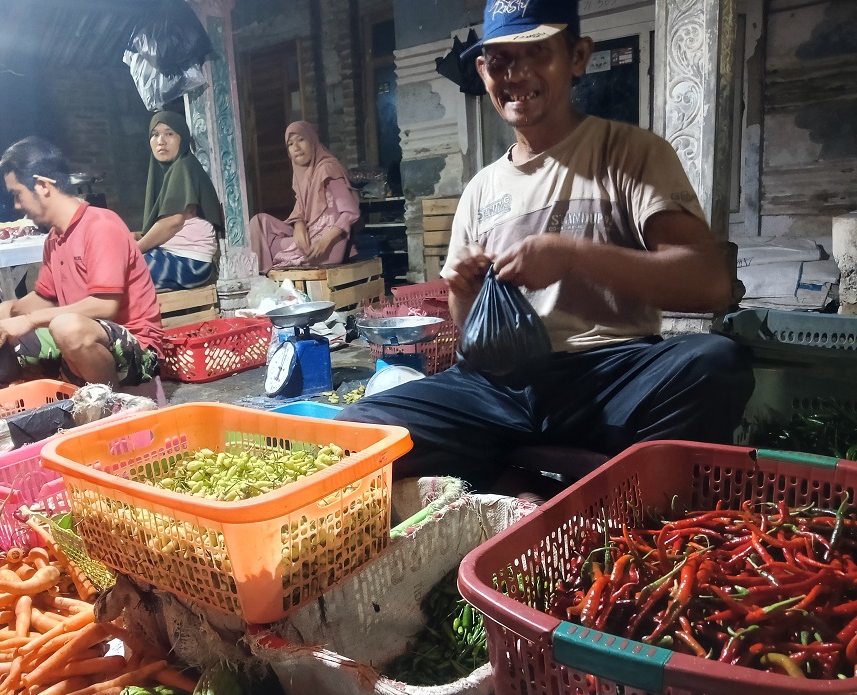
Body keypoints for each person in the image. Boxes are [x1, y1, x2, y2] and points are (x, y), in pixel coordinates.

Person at [338, 0, 754, 491]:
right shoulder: (480, 190)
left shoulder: (631, 154)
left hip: (610, 371)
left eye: (536, 53)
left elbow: (707, 282)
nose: (517, 74)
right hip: (498, 384)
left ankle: (627, 509)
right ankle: (520, 487)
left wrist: (574, 258)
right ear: (482, 71)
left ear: (577, 56)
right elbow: (467, 323)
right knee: (357, 433)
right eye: (499, 60)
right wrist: (466, 291)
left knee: (714, 363)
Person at [0, 136, 164, 390]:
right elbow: (46, 297)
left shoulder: (100, 226)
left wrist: (31, 320)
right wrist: (10, 308)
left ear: (43, 186)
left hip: (137, 348)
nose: (17, 206)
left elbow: (105, 305)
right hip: (76, 334)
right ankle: (16, 402)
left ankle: (112, 407)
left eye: (18, 195)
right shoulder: (55, 238)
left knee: (67, 327)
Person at [249, 121, 361, 273]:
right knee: (259, 222)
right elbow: (300, 210)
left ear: (312, 141)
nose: (296, 148)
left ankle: (264, 273)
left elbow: (350, 212)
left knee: (269, 248)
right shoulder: (301, 176)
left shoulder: (327, 168)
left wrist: (325, 241)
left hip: (326, 246)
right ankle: (265, 271)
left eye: (301, 140)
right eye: (290, 144)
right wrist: (299, 225)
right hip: (311, 237)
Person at [138, 111, 224, 290]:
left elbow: (173, 222)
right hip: (174, 255)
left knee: (121, 270)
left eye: (169, 133)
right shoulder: (166, 172)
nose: (161, 141)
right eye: (155, 135)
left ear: (182, 139)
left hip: (190, 263)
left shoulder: (183, 166)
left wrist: (135, 250)